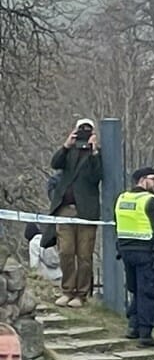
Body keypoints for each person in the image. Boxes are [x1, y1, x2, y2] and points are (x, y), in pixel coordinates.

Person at [49, 118, 103, 306]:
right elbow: (55, 163)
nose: (83, 134)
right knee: (66, 251)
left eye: (87, 130)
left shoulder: (97, 154)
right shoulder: (69, 153)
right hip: (65, 209)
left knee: (84, 254)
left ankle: (81, 294)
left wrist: (94, 151)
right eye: (81, 130)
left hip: (86, 212)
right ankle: (67, 290)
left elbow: (97, 176)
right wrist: (66, 145)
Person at [114, 166, 154, 347]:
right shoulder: (150, 201)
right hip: (146, 252)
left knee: (136, 289)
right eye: (153, 179)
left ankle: (133, 326)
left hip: (126, 251)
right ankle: (145, 333)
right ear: (142, 180)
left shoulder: (122, 198)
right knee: (148, 291)